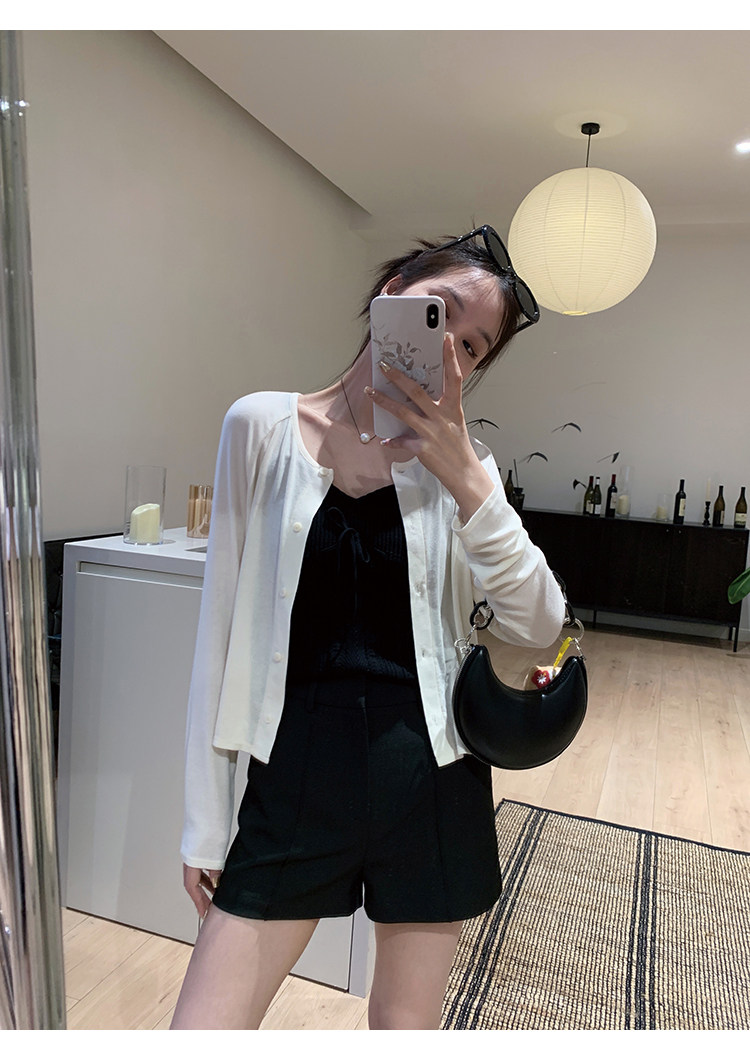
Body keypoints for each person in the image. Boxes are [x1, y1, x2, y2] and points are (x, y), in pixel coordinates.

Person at [169, 225, 565, 1031]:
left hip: (430, 783)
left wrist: (464, 478)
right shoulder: (262, 427)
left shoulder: (466, 468)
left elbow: (541, 621)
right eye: (439, 312)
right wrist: (205, 825)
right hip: (294, 779)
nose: (449, 346)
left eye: (473, 345)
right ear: (392, 294)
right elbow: (218, 637)